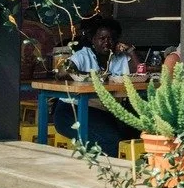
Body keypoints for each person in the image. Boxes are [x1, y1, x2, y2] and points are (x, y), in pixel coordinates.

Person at [57, 19, 136, 156]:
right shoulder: (84, 55)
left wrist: (130, 50)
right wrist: (87, 75)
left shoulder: (120, 57)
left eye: (111, 38)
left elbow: (138, 72)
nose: (107, 42)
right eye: (102, 38)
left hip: (102, 112)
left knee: (133, 134)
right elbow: (62, 72)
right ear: (93, 40)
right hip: (72, 111)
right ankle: (106, 173)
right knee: (110, 140)